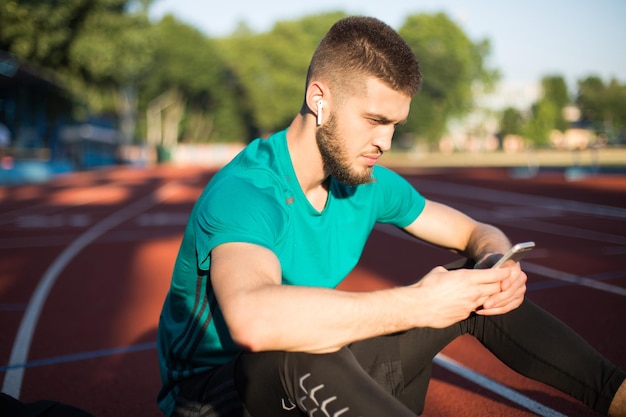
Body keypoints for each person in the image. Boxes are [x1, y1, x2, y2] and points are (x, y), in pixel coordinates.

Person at [157, 16, 626, 417]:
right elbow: (253, 320)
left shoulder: (363, 181)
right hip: (216, 401)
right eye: (375, 121)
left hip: (318, 387)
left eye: (395, 125)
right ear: (320, 100)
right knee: (289, 352)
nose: (385, 141)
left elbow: (474, 232)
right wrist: (418, 303)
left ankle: (618, 396)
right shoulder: (247, 192)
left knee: (471, 280)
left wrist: (498, 265)